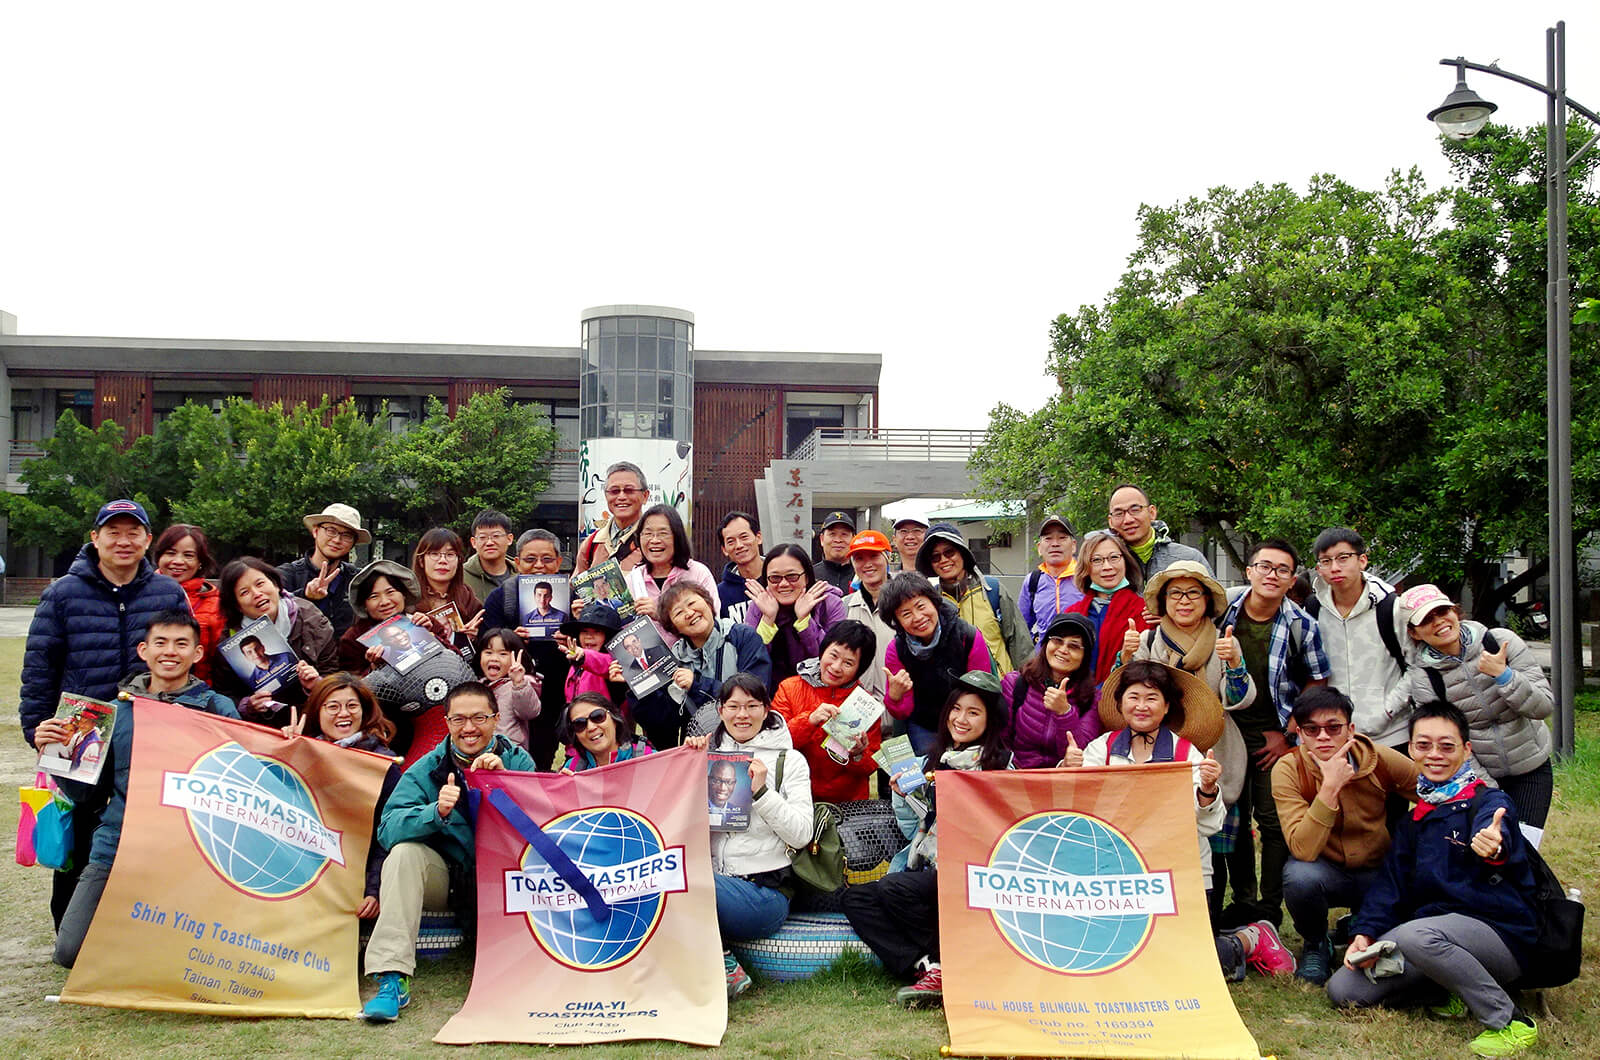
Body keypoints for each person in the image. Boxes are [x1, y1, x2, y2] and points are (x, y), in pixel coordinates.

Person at [1327, 701, 1542, 1058]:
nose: (1435, 755)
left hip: (1499, 935)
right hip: (1432, 940)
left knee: (1417, 933)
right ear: (1410, 749)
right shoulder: (1414, 821)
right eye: (1423, 745)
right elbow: (1390, 887)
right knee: (1345, 990)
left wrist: (1492, 845)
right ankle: (1450, 990)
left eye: (1447, 746)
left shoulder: (1488, 801)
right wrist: (1363, 933)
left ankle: (1510, 1022)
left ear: (1466, 750)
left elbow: (1499, 836)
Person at [1085, 660, 1296, 980]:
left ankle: (1249, 938)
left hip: (1182, 878)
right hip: (1119, 876)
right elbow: (1089, 814)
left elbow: (1209, 826)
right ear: (1120, 702)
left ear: (1167, 706)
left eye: (1152, 698)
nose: (1142, 706)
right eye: (1134, 696)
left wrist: (1208, 792)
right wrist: (1069, 772)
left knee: (1189, 971)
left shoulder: (1189, 756)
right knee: (1121, 962)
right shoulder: (1100, 751)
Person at [53, 611, 238, 967]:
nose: (170, 651)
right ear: (144, 650)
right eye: (161, 643)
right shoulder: (114, 712)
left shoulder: (218, 709)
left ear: (197, 654)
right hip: (119, 843)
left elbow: (240, 780)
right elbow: (86, 795)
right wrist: (59, 754)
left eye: (181, 643)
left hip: (191, 849)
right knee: (69, 952)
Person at [361, 682, 537, 1023]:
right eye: (458, 719)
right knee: (404, 854)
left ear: (496, 719)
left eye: (479, 718)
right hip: (452, 879)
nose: (469, 728)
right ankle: (391, 977)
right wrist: (434, 813)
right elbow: (388, 829)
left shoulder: (517, 760)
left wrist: (504, 785)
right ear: (446, 723)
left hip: (505, 879)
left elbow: (540, 825)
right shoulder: (426, 768)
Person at [842, 670, 1013, 1008]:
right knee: (856, 899)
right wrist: (904, 797)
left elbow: (1002, 830)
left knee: (895, 889)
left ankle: (945, 961)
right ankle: (926, 966)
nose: (961, 719)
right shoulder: (930, 761)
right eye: (956, 709)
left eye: (973, 712)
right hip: (927, 864)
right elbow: (913, 831)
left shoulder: (1001, 767)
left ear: (990, 720)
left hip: (972, 869)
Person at [1217, 538, 1331, 930]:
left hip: (1275, 736)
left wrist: (1288, 733)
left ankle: (1270, 907)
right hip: (1227, 732)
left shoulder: (1302, 624)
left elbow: (1317, 680)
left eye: (1282, 570)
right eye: (1265, 567)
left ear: (1291, 579)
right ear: (1249, 571)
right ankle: (1244, 901)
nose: (1272, 575)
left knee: (1273, 821)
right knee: (1233, 818)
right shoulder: (1222, 613)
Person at [1271, 686, 1420, 985]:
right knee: (1299, 877)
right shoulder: (1288, 769)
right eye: (1312, 729)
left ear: (1350, 729)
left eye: (1333, 727)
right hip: (1323, 870)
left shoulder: (1377, 758)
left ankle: (1361, 924)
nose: (1323, 737)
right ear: (1300, 733)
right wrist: (1329, 788)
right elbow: (1302, 848)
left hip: (1378, 871)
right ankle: (1316, 943)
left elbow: (1433, 789)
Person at [683, 674, 814, 1000]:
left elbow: (801, 835)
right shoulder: (707, 757)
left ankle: (723, 966)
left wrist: (762, 793)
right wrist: (688, 764)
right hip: (716, 882)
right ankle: (719, 962)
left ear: (767, 710)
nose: (743, 715)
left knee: (684, 881)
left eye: (752, 706)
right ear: (721, 710)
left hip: (763, 894)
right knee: (670, 879)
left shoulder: (790, 760)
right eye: (734, 706)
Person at [1398, 584, 1553, 828]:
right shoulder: (1424, 678)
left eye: (1443, 611)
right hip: (1478, 776)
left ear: (1455, 612)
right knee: (1489, 846)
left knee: (1526, 846)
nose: (1439, 622)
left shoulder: (1500, 642)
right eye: (1427, 619)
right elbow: (1447, 743)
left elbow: (1543, 706)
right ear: (1415, 633)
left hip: (1531, 763)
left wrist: (1504, 676)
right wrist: (1488, 791)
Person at [288, 674, 402, 923]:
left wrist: (374, 889)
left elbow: (386, 834)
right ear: (318, 711)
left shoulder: (381, 764)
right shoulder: (299, 750)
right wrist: (285, 754)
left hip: (351, 877)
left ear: (364, 711)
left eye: (352, 706)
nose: (343, 714)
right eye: (333, 706)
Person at [1307, 528, 1411, 750]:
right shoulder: (1313, 609)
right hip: (1333, 737)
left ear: (1362, 560)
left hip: (1392, 735)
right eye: (1326, 561)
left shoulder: (1391, 608)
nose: (1335, 567)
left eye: (1343, 558)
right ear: (1318, 569)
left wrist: (1388, 710)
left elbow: (1417, 665)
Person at [482, 530, 573, 770]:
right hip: (511, 697)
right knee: (508, 758)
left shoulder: (572, 598)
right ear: (518, 562)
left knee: (543, 758)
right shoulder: (501, 597)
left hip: (557, 692)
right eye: (530, 559)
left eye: (547, 559)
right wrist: (511, 638)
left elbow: (593, 641)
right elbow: (486, 643)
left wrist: (573, 638)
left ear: (559, 562)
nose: (539, 566)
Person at [642, 581, 770, 749]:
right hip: (701, 747)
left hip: (750, 741)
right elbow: (665, 722)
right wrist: (637, 686)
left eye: (692, 603)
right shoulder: (676, 658)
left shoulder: (742, 637)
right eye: (679, 612)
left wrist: (697, 684)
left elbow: (756, 694)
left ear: (709, 604)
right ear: (673, 627)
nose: (689, 613)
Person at [880, 571, 993, 755]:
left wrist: (962, 724)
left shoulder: (968, 637)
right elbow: (902, 712)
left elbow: (983, 695)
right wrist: (895, 696)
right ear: (897, 622)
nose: (917, 617)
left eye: (920, 606)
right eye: (906, 613)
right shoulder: (897, 649)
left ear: (934, 602)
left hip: (965, 721)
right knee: (930, 778)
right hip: (924, 726)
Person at [214, 558, 340, 721]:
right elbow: (223, 694)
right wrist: (248, 706)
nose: (257, 594)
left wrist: (317, 684)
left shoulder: (313, 620)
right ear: (237, 605)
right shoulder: (229, 641)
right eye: (244, 592)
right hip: (260, 729)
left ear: (275, 584)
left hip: (313, 720)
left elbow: (334, 675)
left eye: (260, 584)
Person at [772, 620, 882, 802]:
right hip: (794, 797)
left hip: (847, 803)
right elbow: (775, 743)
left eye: (848, 663)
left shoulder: (866, 705)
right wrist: (809, 720)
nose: (836, 667)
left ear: (859, 669)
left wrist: (858, 754)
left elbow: (870, 767)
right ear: (823, 651)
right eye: (833, 655)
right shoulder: (789, 688)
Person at [916, 522, 1031, 675]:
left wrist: (1027, 687)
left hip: (1001, 690)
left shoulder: (993, 590)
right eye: (935, 557)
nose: (943, 560)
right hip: (957, 695)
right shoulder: (932, 602)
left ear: (962, 553)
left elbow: (1021, 645)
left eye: (949, 552)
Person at [1003, 612, 1101, 769]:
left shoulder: (1091, 698)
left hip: (1062, 782)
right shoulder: (1015, 684)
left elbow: (1082, 752)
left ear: (1085, 656)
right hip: (1015, 779)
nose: (1063, 650)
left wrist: (1065, 713)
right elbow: (1000, 740)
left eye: (1074, 646)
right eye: (1057, 640)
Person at [742, 544, 847, 686]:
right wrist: (767, 619)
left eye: (792, 576)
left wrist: (805, 622)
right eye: (775, 578)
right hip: (771, 694)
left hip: (820, 693)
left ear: (807, 576)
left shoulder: (829, 603)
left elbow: (832, 661)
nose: (783, 584)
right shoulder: (759, 606)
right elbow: (749, 663)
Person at [1064, 530, 1151, 687]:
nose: (1107, 567)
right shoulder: (1072, 614)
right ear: (1086, 567)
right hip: (1075, 702)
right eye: (1096, 560)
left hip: (1122, 702)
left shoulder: (1144, 612)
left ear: (1125, 561)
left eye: (1114, 558)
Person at [624, 503, 718, 646]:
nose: (654, 540)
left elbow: (711, 625)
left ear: (677, 536)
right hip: (648, 666)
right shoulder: (632, 579)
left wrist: (661, 616)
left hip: (693, 664)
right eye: (648, 533)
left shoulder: (698, 573)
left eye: (663, 533)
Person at [277, 502, 369, 637]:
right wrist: (305, 596)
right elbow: (269, 614)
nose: (337, 540)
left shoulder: (359, 579)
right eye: (331, 531)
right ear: (315, 531)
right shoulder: (286, 575)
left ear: (353, 544)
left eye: (347, 535)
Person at [152, 523, 225, 683]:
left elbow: (221, 664)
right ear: (159, 557)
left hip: (197, 696)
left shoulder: (216, 605)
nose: (178, 561)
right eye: (171, 553)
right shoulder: (140, 594)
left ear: (200, 562)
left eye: (188, 555)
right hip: (142, 693)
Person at [1105, 484, 1211, 580]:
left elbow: (1215, 599)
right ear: (1110, 521)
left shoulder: (1189, 559)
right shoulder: (1102, 565)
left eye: (1135, 510)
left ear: (1152, 512)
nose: (1128, 520)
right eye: (1119, 513)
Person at [338, 559, 425, 674]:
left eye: (390, 592)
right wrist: (375, 667)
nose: (384, 602)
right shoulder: (352, 639)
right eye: (374, 597)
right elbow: (351, 682)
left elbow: (453, 657)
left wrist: (433, 635)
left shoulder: (421, 621)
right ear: (364, 604)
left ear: (404, 593)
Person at [841, 530, 895, 698]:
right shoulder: (845, 605)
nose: (867, 564)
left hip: (899, 706)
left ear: (887, 558)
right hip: (855, 707)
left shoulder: (905, 604)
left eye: (873, 556)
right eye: (859, 558)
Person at [574, 461, 649, 574]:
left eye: (629, 490)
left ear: (645, 496)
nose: (622, 496)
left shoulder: (655, 541)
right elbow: (577, 587)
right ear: (606, 496)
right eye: (614, 491)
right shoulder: (591, 544)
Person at [1018, 514, 1084, 642]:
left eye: (1062, 538)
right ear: (1039, 548)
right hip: (1045, 657)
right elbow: (1021, 628)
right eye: (1048, 539)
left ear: (1074, 545)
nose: (1055, 544)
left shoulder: (1086, 576)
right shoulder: (1032, 581)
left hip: (1083, 656)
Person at [476, 627, 542, 753]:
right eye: (488, 652)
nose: (494, 658)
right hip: (480, 752)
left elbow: (530, 712)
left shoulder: (520, 684)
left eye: (503, 654)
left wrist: (519, 683)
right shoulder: (478, 687)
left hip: (510, 754)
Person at [411, 527, 483, 633]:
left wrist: (476, 638)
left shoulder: (468, 598)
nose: (442, 561)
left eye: (450, 554)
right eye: (434, 554)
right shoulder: (408, 599)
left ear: (459, 561)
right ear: (421, 561)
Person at [559, 692, 653, 771]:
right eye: (579, 724)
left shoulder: (650, 759)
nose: (591, 727)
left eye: (598, 716)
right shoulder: (572, 768)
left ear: (614, 719)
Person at [716, 511, 765, 621]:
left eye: (744, 537)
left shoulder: (779, 580)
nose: (739, 545)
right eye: (731, 541)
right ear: (724, 550)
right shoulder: (719, 594)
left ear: (758, 537)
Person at [462, 509, 517, 602]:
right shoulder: (460, 577)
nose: (489, 542)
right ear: (474, 542)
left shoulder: (522, 574)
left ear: (509, 539)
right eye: (482, 537)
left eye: (496, 536)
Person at [813, 510, 857, 593]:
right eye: (832, 534)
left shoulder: (862, 576)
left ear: (853, 539)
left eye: (844, 534)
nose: (838, 540)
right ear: (822, 539)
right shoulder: (810, 576)